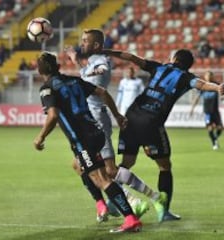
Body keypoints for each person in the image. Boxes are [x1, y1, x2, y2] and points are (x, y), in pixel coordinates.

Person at [101, 48, 224, 221]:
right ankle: (163, 211)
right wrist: (218, 87)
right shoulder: (185, 77)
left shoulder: (158, 67)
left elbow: (131, 57)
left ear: (174, 58)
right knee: (164, 166)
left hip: (131, 116)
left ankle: (113, 200)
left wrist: (107, 51)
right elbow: (202, 84)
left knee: (128, 162)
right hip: (151, 122)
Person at [33, 51, 142, 233]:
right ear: (58, 66)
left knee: (101, 179)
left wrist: (40, 137)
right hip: (96, 132)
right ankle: (101, 204)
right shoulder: (74, 80)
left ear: (40, 69)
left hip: (82, 139)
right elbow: (102, 92)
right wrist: (116, 114)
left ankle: (130, 219)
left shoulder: (47, 88)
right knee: (78, 165)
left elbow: (53, 115)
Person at [64, 29, 150, 223]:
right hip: (89, 119)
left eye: (86, 41)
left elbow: (101, 71)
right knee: (79, 165)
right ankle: (108, 203)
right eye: (82, 40)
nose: (82, 43)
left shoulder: (100, 60)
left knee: (108, 170)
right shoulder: (89, 61)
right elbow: (85, 69)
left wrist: (83, 74)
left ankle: (135, 200)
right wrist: (74, 57)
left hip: (97, 119)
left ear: (95, 45)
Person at [190, 71, 224, 150]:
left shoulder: (216, 85)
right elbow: (197, 98)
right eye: (207, 75)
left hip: (215, 111)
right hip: (207, 111)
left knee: (220, 128)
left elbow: (223, 92)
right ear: (205, 76)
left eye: (210, 75)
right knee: (210, 128)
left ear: (212, 76)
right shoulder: (203, 86)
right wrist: (192, 108)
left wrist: (222, 96)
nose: (208, 77)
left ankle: (214, 138)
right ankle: (214, 143)